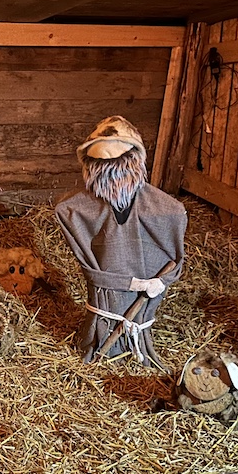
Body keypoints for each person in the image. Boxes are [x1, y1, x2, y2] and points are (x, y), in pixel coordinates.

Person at [55, 116, 186, 365]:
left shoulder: (163, 209)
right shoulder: (77, 210)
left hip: (140, 309)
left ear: (133, 162)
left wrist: (156, 281)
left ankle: (133, 340)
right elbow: (68, 211)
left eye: (118, 162)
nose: (112, 170)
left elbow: (175, 227)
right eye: (104, 163)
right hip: (105, 305)